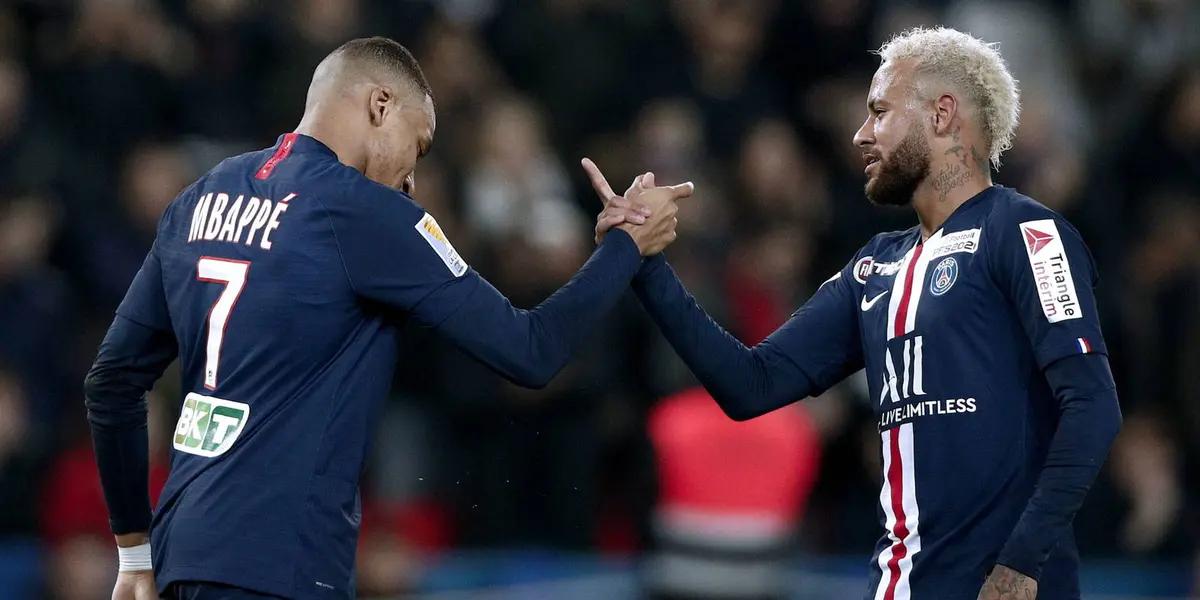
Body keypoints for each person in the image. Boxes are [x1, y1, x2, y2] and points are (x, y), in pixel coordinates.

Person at [84, 36, 692, 600]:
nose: (412, 173)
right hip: (282, 564)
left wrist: (135, 552)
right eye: (418, 143)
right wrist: (625, 249)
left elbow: (112, 382)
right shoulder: (368, 213)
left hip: (181, 555)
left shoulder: (200, 196)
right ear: (381, 104)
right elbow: (530, 350)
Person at [590, 27, 1121, 600]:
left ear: (942, 114)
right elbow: (749, 384)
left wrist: (1022, 563)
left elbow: (1092, 405)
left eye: (879, 111)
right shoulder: (874, 269)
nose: (860, 134)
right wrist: (646, 263)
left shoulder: (1026, 234)